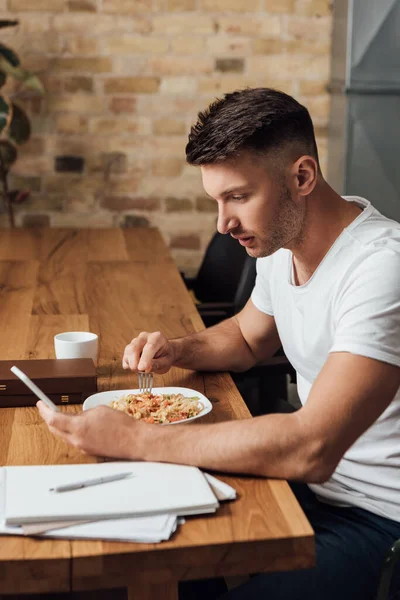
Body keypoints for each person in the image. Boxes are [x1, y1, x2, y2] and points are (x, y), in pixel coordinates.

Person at [38, 88, 400, 600]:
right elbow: (248, 336)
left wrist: (137, 440)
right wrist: (179, 350)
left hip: (379, 519)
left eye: (237, 197)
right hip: (304, 488)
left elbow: (314, 447)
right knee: (149, 539)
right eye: (216, 200)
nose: (222, 224)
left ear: (301, 177)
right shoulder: (281, 244)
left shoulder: (382, 267)